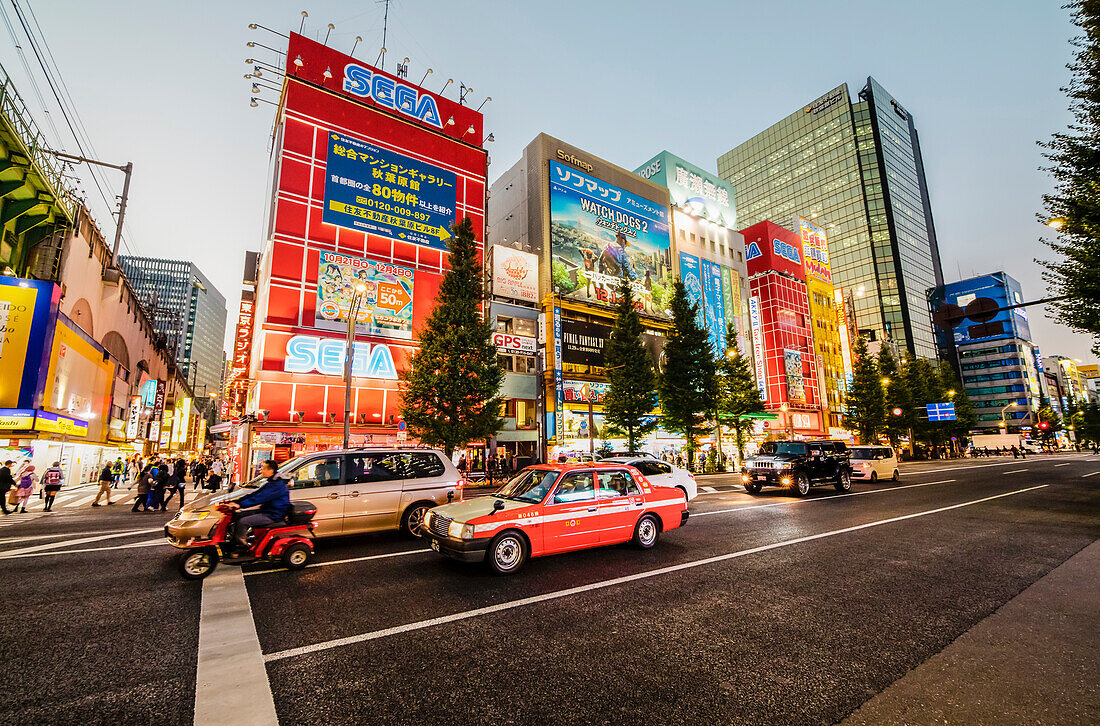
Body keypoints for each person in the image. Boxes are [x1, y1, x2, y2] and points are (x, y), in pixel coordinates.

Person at [227, 459, 290, 557]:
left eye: (263, 468)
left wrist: (240, 505)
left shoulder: (277, 485)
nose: (261, 470)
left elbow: (259, 498)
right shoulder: (272, 482)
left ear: (271, 471)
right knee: (237, 515)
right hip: (266, 510)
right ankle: (234, 541)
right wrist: (237, 501)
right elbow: (255, 494)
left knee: (243, 521)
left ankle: (241, 547)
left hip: (273, 515)